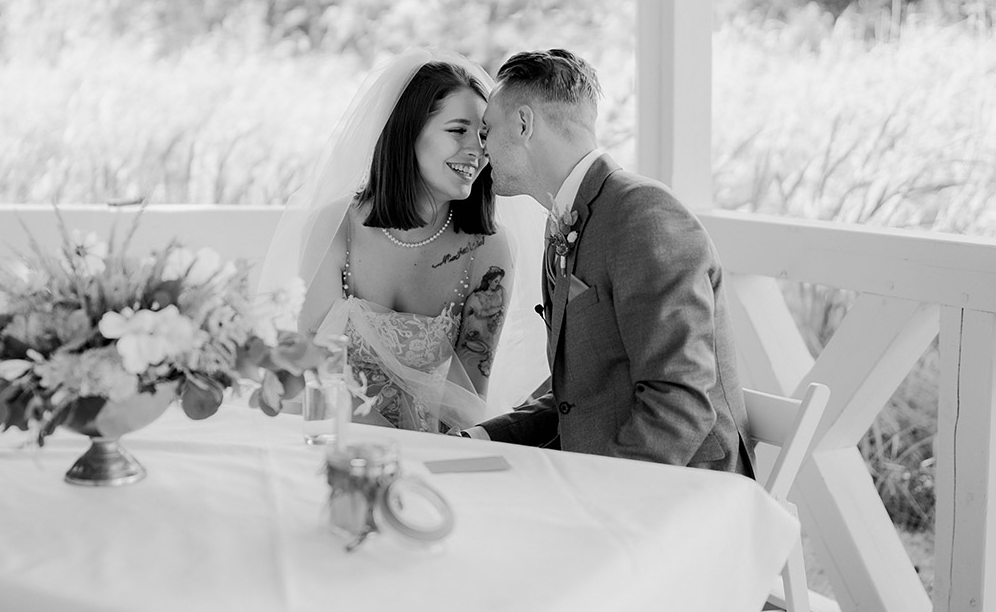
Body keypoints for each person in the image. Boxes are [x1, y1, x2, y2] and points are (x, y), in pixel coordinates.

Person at [468, 48, 753, 475]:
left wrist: (593, 494)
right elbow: (580, 393)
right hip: (610, 474)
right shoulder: (570, 219)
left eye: (487, 129)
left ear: (524, 124)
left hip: (686, 489)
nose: (481, 146)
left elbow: (681, 406)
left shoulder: (646, 217)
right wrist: (483, 437)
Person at [260, 48, 548, 433]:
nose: (477, 151)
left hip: (432, 447)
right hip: (332, 434)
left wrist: (421, 457)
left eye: (482, 135)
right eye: (458, 130)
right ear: (407, 133)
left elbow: (468, 398)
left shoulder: (489, 248)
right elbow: (316, 365)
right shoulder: (334, 225)